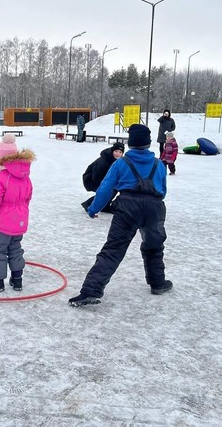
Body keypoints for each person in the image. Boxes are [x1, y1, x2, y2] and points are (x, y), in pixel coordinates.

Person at [69, 124, 172, 307]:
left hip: (127, 208)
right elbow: (162, 190)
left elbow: (106, 189)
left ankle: (90, 291)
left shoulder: (121, 163)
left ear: (130, 144)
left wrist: (94, 209)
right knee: (154, 246)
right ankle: (158, 283)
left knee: (113, 250)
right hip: (155, 207)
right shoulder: (158, 164)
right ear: (148, 144)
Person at [0, 134, 35, 292]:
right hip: (19, 222)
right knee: (15, 248)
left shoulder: (1, 177)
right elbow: (28, 198)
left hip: (2, 223)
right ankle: (17, 280)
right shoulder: (26, 176)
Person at [81, 142, 125, 212]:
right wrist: (105, 185)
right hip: (90, 180)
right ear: (112, 151)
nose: (118, 154)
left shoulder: (118, 161)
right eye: (116, 151)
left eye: (120, 152)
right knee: (109, 189)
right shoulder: (104, 160)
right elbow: (96, 176)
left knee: (114, 187)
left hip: (103, 179)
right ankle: (89, 204)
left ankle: (105, 206)